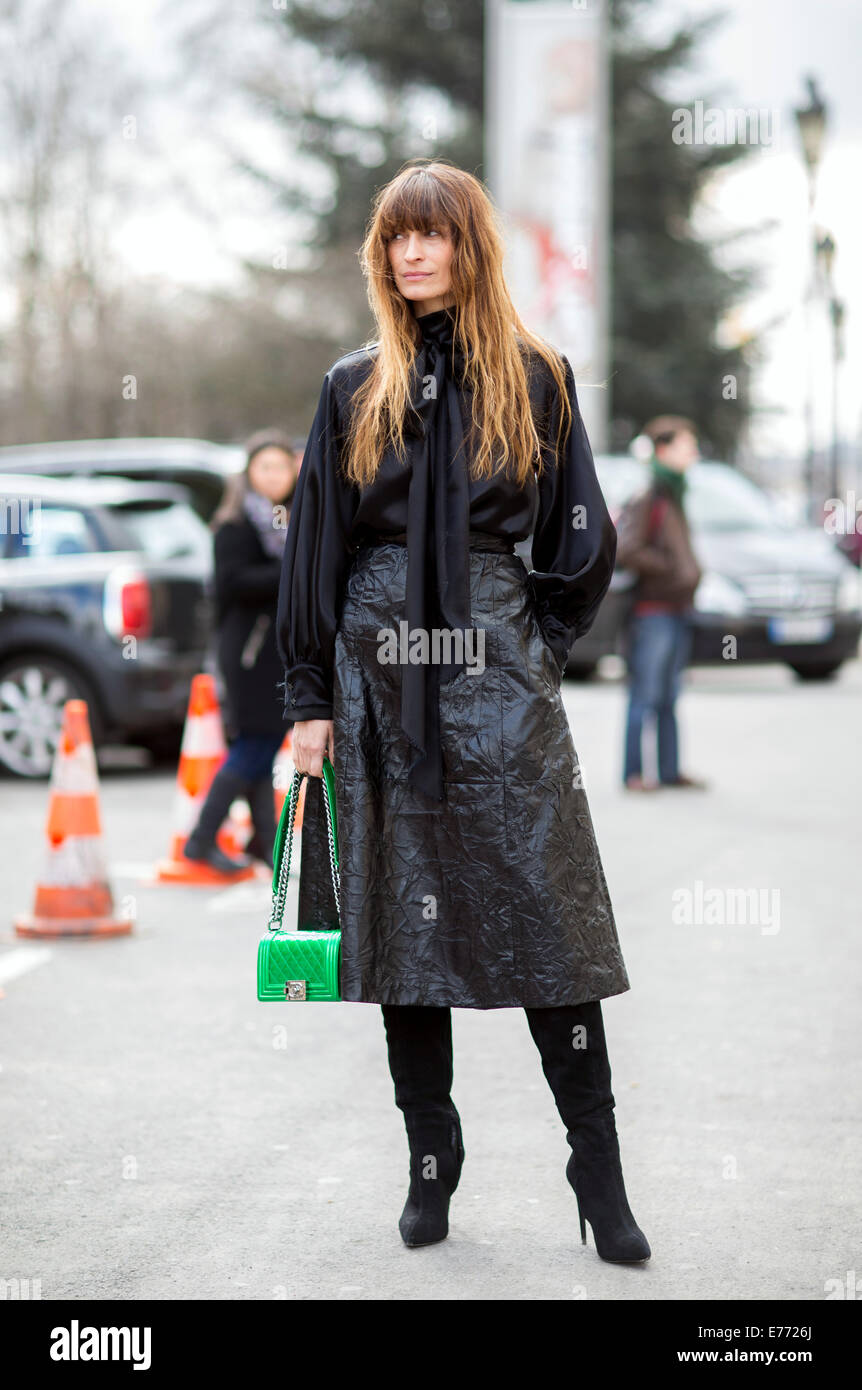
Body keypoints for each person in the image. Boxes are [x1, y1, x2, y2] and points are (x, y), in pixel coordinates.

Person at [276, 159, 649, 1263]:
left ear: (468, 245)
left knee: (552, 920)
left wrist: (534, 628)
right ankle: (430, 1162)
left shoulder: (538, 376)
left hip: (497, 667)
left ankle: (599, 1173)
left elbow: (582, 530)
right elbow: (315, 548)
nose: (412, 253)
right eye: (395, 237)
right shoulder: (354, 385)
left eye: (431, 234)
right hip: (378, 669)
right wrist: (307, 698)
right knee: (403, 928)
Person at [183, 429, 299, 874]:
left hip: (273, 649)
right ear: (248, 474)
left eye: (281, 466)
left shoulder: (291, 519)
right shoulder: (234, 525)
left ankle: (263, 842)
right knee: (256, 741)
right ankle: (201, 839)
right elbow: (231, 584)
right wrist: (287, 570)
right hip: (248, 652)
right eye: (264, 467)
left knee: (264, 744)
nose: (274, 475)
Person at [616, 416, 706, 792]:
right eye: (687, 446)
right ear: (664, 450)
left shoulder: (674, 493)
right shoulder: (650, 495)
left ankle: (669, 771)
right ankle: (634, 774)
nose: (694, 453)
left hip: (677, 608)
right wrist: (669, 569)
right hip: (652, 611)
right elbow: (626, 548)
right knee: (645, 693)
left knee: (669, 694)